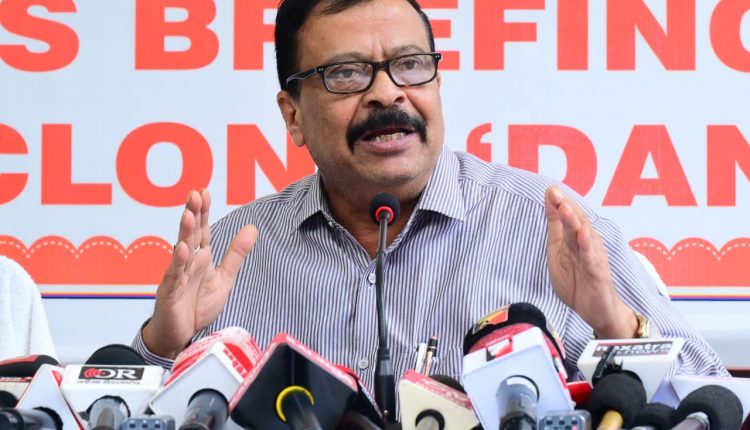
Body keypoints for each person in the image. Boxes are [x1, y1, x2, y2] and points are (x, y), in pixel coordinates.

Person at [133, 0, 727, 385]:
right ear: (293, 116)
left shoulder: (543, 224)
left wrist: (614, 324)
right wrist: (163, 344)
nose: (387, 93)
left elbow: (710, 398)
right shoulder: (236, 254)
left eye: (411, 64)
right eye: (346, 74)